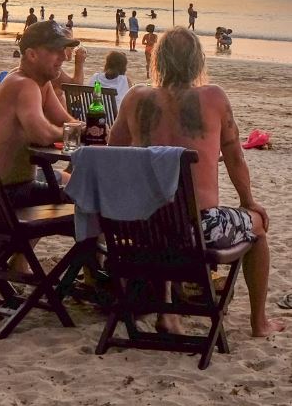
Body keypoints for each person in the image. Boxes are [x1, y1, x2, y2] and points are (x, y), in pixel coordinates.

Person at [109, 27, 284, 338]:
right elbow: (234, 157)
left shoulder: (134, 97)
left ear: (158, 60)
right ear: (196, 61)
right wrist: (248, 202)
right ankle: (259, 323)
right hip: (197, 232)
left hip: (138, 228)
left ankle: (167, 313)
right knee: (258, 225)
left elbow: (114, 154)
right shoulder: (213, 97)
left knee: (161, 211)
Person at [0, 21, 79, 207]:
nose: (64, 57)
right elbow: (41, 133)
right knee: (88, 200)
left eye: (64, 50)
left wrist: (83, 128)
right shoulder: (24, 85)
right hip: (2, 197)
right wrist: (73, 132)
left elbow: (65, 121)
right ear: (32, 55)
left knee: (74, 186)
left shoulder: (38, 83)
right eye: (56, 50)